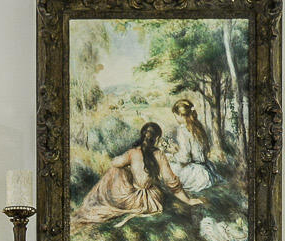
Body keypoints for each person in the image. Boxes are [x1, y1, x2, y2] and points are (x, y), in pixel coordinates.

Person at [74, 122, 204, 228]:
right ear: (157, 139)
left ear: (142, 136)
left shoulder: (132, 153)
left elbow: (115, 162)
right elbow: (171, 182)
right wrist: (188, 200)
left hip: (133, 199)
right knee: (120, 170)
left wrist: (129, 166)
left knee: (116, 169)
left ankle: (100, 200)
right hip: (152, 200)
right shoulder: (159, 155)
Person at [167, 98, 217, 194]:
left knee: (167, 166)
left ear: (181, 115)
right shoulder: (198, 126)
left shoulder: (182, 130)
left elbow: (185, 159)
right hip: (207, 169)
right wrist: (179, 149)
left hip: (195, 174)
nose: (176, 119)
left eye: (176, 116)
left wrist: (174, 152)